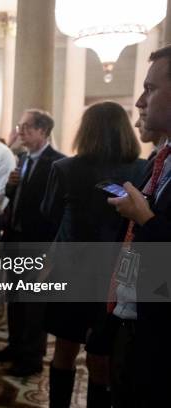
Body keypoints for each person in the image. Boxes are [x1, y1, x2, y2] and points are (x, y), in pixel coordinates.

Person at [41, 101, 145, 407]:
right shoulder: (142, 169)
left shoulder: (64, 168)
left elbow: (48, 215)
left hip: (72, 272)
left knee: (64, 352)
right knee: (103, 360)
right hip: (119, 275)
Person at [107, 44, 171, 408]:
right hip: (136, 327)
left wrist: (144, 218)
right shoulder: (158, 161)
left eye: (151, 89)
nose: (140, 102)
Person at [0, 109, 65, 377]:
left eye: (26, 127)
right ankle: (15, 346)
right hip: (15, 238)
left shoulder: (58, 163)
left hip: (38, 243)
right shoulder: (21, 158)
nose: (20, 131)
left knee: (33, 303)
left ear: (43, 131)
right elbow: (15, 196)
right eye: (20, 126)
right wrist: (11, 186)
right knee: (15, 298)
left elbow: (55, 208)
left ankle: (31, 357)